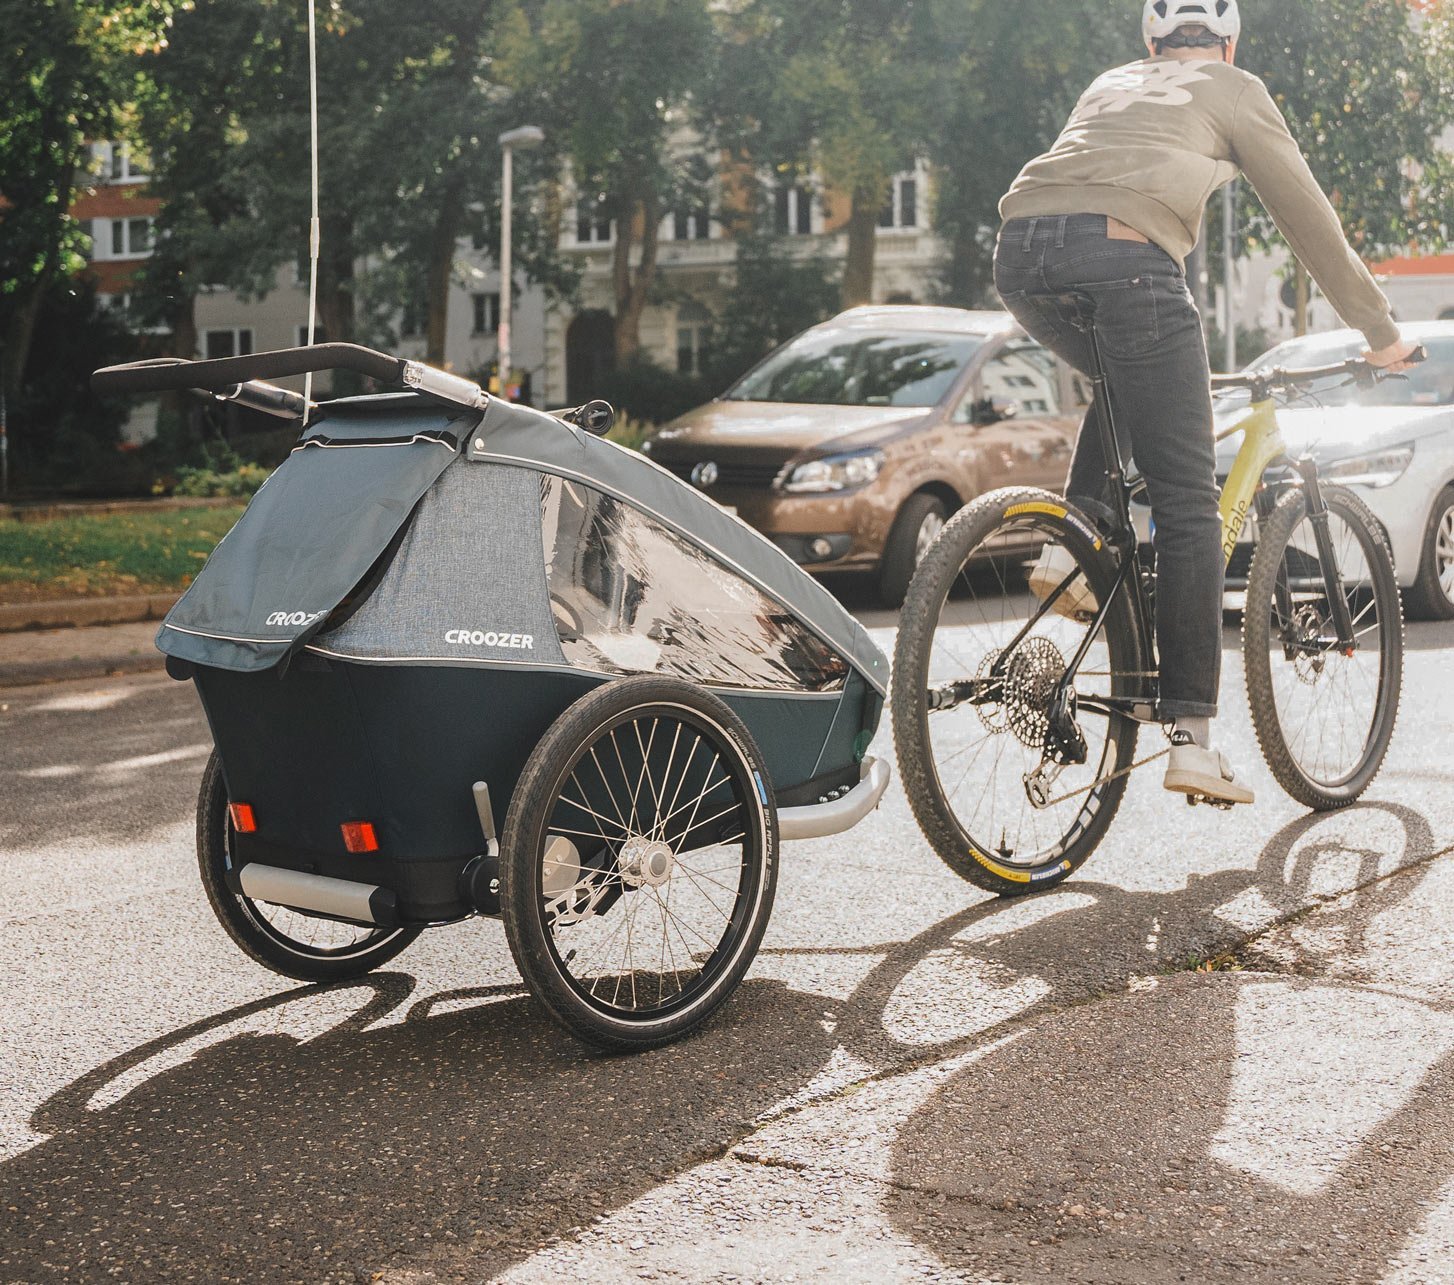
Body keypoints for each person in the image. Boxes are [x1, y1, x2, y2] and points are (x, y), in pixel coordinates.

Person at [995, 0, 1420, 807]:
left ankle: (1069, 548)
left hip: (1019, 252)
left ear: (1150, 42)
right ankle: (1191, 738)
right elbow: (1305, 213)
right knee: (1190, 502)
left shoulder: (1111, 80)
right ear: (1227, 42)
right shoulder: (1233, 86)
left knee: (1124, 377)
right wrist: (1380, 330)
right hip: (1126, 260)